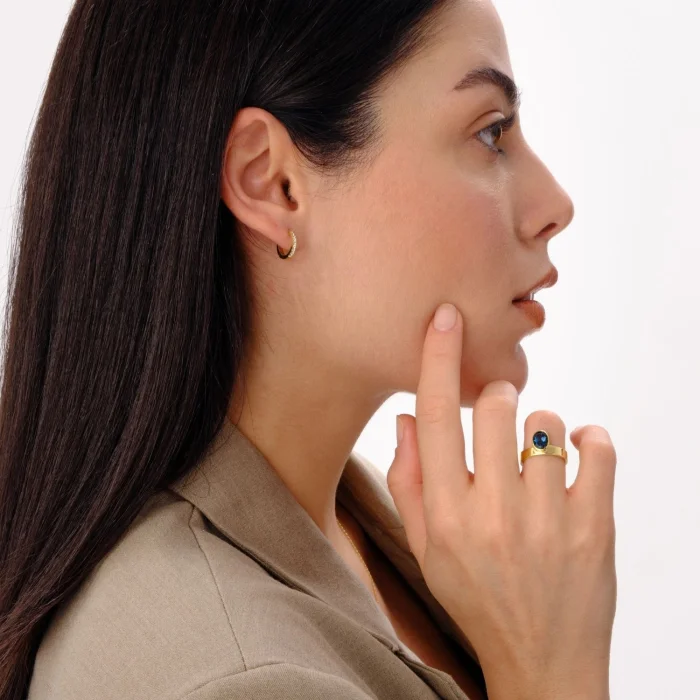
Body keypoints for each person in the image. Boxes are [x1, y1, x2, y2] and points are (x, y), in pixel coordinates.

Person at [0, 0, 617, 698]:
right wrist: (551, 671)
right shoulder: (243, 680)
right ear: (272, 181)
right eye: (490, 131)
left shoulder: (360, 528)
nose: (554, 205)